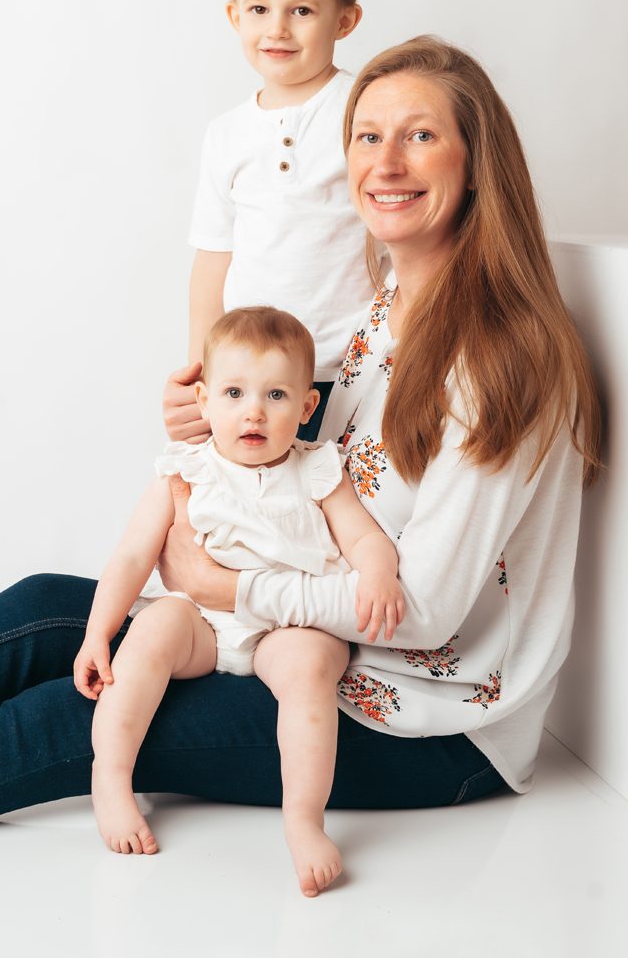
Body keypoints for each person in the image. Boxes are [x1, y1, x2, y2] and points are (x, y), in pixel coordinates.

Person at [0, 37, 600, 904]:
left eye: (419, 136)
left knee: (64, 722)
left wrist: (221, 587)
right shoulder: (391, 309)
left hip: (424, 723)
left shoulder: (499, 358)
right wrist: (220, 423)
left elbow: (427, 611)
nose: (385, 163)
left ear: (477, 162)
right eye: (366, 137)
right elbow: (309, 459)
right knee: (41, 613)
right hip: (305, 646)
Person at [75, 305, 403, 895]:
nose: (253, 410)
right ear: (203, 403)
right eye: (234, 392)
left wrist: (378, 574)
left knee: (309, 672)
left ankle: (303, 820)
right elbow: (132, 556)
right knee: (150, 634)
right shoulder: (185, 471)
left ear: (306, 408)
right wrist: (100, 630)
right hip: (205, 622)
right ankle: (112, 777)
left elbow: (362, 537)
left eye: (276, 395)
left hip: (285, 626)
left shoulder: (319, 470)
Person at [186, 0, 368, 443]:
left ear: (344, 20)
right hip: (254, 385)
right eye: (260, 8)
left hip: (352, 368)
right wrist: (204, 370)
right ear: (234, 16)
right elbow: (213, 260)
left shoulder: (362, 110)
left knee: (343, 510)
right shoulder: (226, 134)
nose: (278, 29)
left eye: (302, 10)